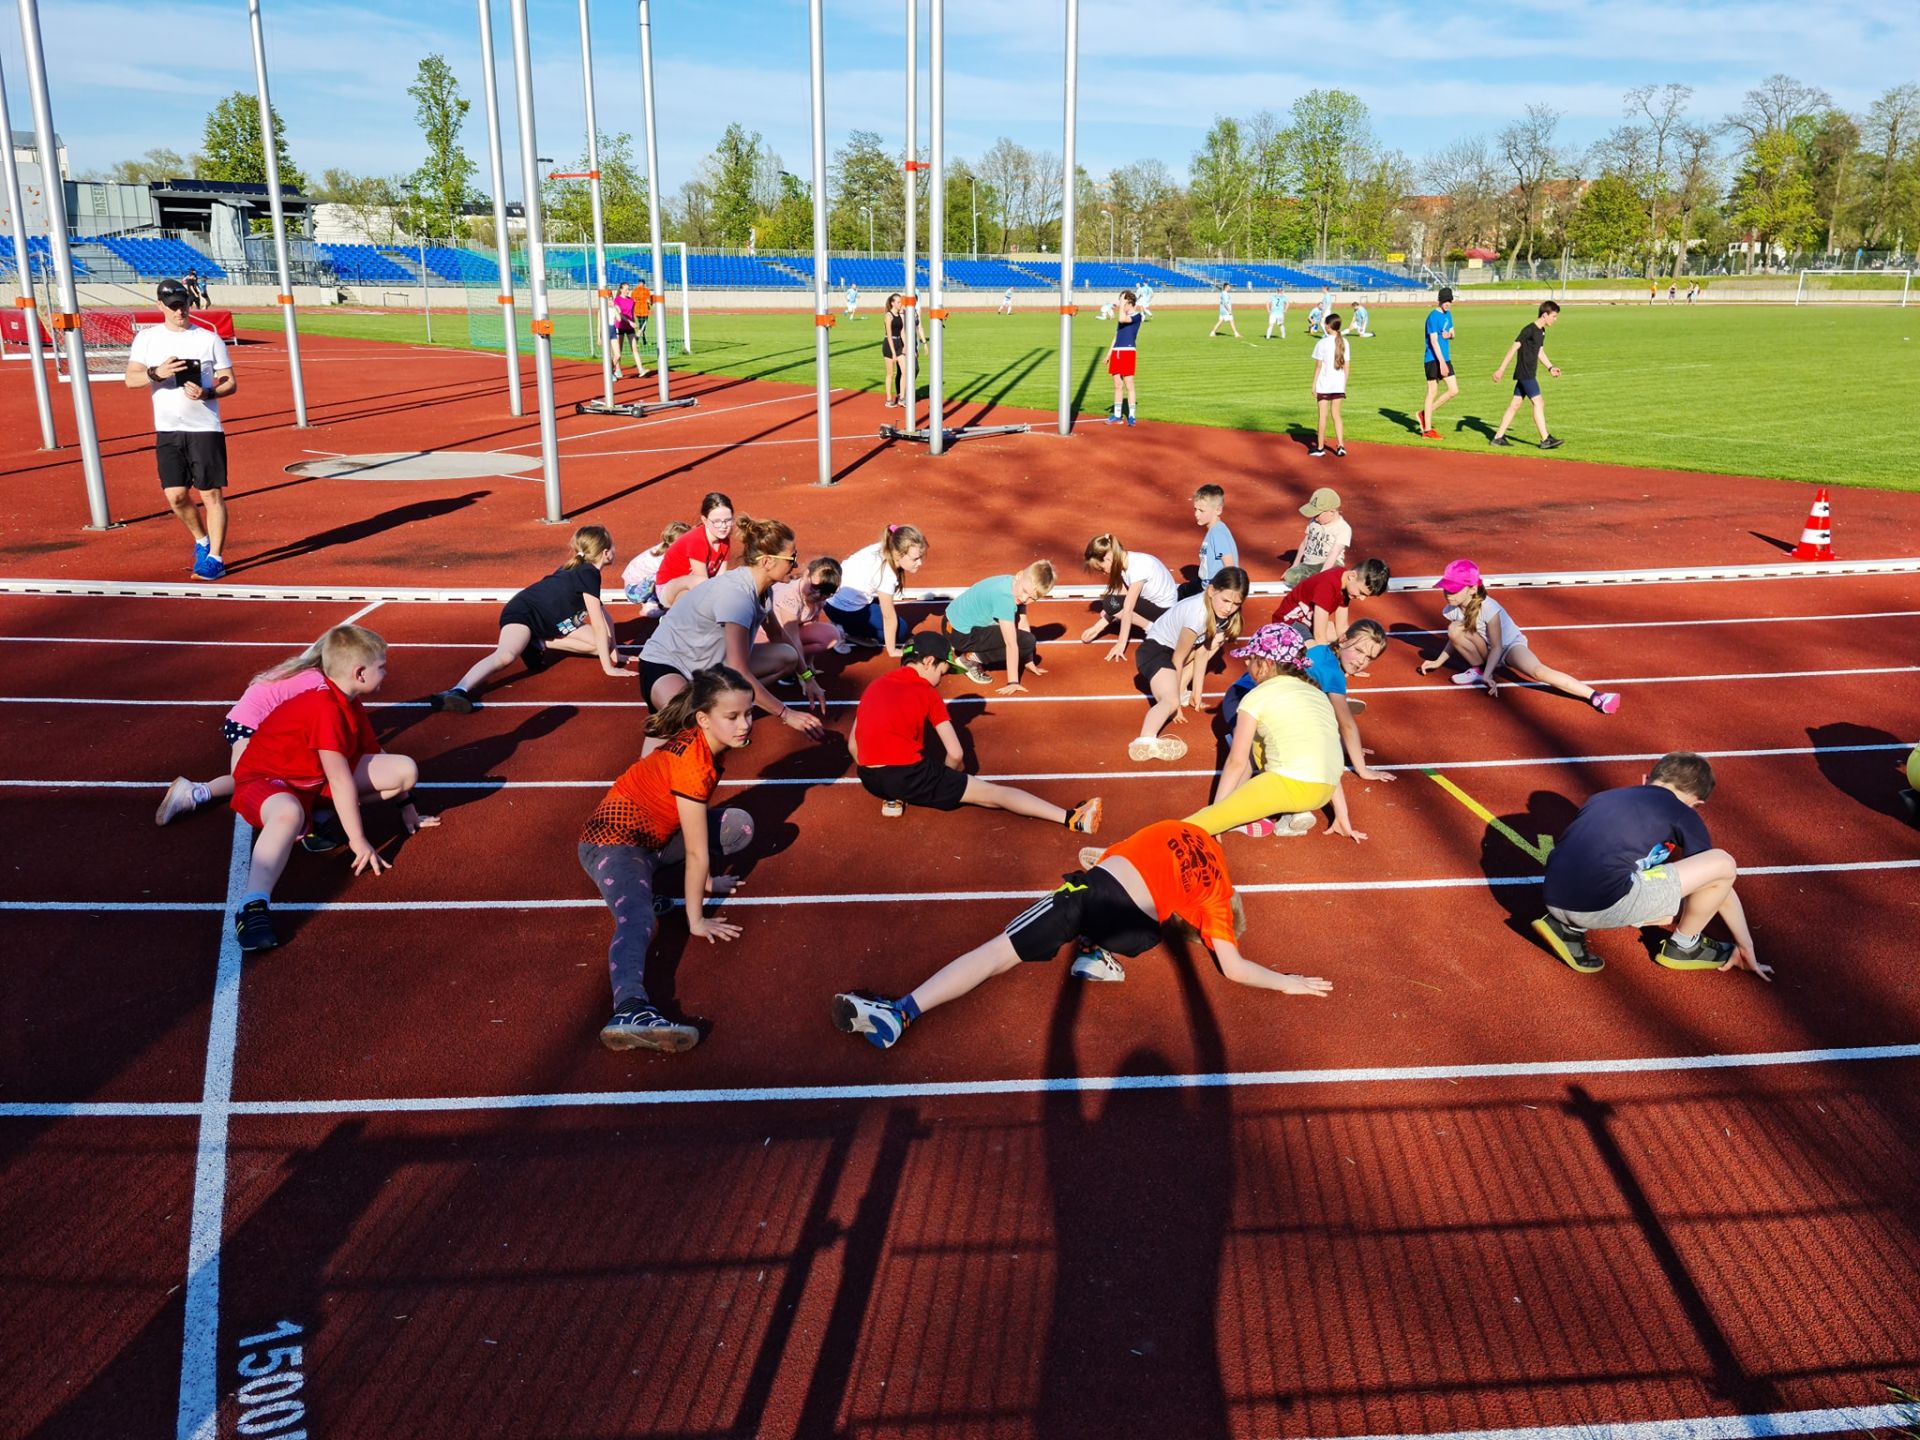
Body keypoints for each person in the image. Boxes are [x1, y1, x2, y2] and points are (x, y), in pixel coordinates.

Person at [830, 818, 1332, 1049]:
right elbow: (1235, 968)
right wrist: (1288, 981)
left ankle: (900, 1014)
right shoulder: (1213, 902)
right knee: (1149, 930)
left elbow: (1106, 856)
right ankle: (1095, 954)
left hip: (1091, 894)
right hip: (1125, 918)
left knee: (997, 954)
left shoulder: (1190, 831)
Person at [227, 625, 437, 952]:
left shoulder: (349, 702)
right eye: (381, 666)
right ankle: (252, 905)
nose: (386, 672)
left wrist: (407, 806)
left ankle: (315, 818)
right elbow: (339, 780)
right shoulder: (324, 707)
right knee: (288, 813)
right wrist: (359, 840)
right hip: (265, 783)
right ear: (359, 672)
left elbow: (375, 753)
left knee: (404, 770)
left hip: (311, 783)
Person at [581, 666, 757, 1052]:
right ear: (703, 719)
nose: (745, 724)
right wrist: (696, 920)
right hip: (613, 843)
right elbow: (695, 851)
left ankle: (652, 886)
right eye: (733, 717)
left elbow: (692, 832)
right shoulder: (693, 763)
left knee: (735, 827)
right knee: (640, 919)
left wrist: (709, 881)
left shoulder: (705, 745)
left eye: (748, 713)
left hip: (655, 840)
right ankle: (628, 1007)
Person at [1532, 752, 1768, 979]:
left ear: (1646, 779)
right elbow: (1717, 879)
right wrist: (1745, 944)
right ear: (1696, 803)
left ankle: (1568, 929)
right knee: (1722, 863)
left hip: (1552, 896)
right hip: (1597, 907)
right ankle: (1684, 945)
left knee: (1646, 890)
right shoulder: (1682, 813)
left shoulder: (1603, 796)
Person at [852, 628, 1102, 828]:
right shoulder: (927, 692)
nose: (942, 679)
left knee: (896, 759)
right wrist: (945, 777)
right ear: (928, 661)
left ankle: (893, 798)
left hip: (870, 780)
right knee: (994, 793)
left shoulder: (874, 685)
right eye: (943, 670)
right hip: (908, 776)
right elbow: (956, 754)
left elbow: (854, 744)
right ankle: (1072, 818)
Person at [638, 516, 830, 744]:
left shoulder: (763, 591)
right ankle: (705, 713)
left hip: (708, 668)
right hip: (668, 666)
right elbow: (738, 670)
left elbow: (778, 636)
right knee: (696, 730)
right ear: (767, 561)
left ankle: (722, 706)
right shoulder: (737, 597)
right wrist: (786, 714)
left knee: (787, 656)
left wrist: (806, 676)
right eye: (792, 558)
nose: (797, 565)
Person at [1185, 623, 1364, 842]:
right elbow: (1326, 753)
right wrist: (1342, 816)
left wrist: (1218, 814)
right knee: (1280, 739)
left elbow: (1237, 762)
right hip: (1324, 792)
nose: (1246, 662)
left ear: (1267, 664)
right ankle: (1289, 816)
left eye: (1251, 658)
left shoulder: (1256, 696)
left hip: (1288, 786)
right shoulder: (1318, 695)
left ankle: (1136, 859)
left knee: (1192, 827)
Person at [433, 526, 627, 713]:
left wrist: (614, 653)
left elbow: (604, 616)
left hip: (548, 621)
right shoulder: (589, 573)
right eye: (614, 546)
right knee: (506, 656)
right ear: (605, 553)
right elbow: (598, 624)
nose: (616, 550)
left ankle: (538, 642)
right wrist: (608, 669)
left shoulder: (584, 570)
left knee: (601, 645)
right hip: (524, 613)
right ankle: (457, 690)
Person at [125, 277, 237, 581]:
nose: (180, 311)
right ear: (160, 306)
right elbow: (131, 379)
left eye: (184, 304)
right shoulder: (147, 339)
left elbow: (230, 381)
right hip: (168, 429)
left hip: (205, 428)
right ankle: (202, 540)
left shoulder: (208, 338)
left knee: (211, 493)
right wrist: (156, 373)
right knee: (175, 496)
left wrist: (209, 392)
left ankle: (216, 557)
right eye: (173, 306)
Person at [155, 636, 333, 826]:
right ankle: (193, 793)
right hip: (250, 725)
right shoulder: (317, 681)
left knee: (256, 775)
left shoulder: (302, 669)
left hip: (243, 721)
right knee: (244, 779)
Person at [1417, 558, 1620, 713]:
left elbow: (1498, 646)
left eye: (1453, 590)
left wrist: (1490, 675)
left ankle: (1595, 696)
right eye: (1445, 589)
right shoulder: (1451, 610)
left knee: (1538, 672)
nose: (1447, 594)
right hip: (1485, 650)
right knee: (1454, 629)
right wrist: (1438, 661)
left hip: (1508, 648)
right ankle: (1478, 669)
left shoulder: (1489, 608)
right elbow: (1455, 639)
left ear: (1471, 589)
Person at [1221, 619, 1393, 781]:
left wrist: (1347, 745)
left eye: (1370, 658)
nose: (1361, 661)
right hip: (1246, 699)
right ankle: (1226, 807)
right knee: (1248, 761)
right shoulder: (1333, 674)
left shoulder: (1321, 650)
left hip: (1244, 695)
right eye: (1359, 650)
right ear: (1343, 640)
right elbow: (1346, 724)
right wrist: (1362, 770)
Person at [1130, 567, 1249, 762]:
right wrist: (1176, 703)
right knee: (1170, 701)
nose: (1229, 608)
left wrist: (1196, 695)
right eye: (1226, 600)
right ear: (1211, 591)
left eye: (1236, 604)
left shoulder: (1220, 614)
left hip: (1171, 653)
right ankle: (1145, 739)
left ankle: (1181, 693)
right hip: (1155, 652)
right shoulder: (1197, 614)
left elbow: (1202, 653)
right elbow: (1178, 658)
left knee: (1215, 643)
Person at [945, 560, 1056, 692]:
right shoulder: (1005, 598)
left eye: (1032, 598)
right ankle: (969, 659)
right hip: (960, 636)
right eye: (1025, 591)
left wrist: (1028, 661)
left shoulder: (1012, 583)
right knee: (1027, 641)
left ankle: (962, 645)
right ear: (1019, 575)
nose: (1025, 598)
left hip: (948, 624)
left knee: (1020, 635)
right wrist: (1013, 681)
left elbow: (1023, 623)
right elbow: (1011, 644)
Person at [827, 523, 927, 655]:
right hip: (842, 610)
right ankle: (843, 630)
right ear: (897, 554)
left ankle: (843, 625)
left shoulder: (884, 546)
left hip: (830, 601)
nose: (920, 563)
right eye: (915, 558)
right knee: (900, 629)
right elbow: (889, 617)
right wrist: (893, 651)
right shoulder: (887, 574)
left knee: (885, 611)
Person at [1080, 535, 1179, 657]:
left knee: (1109, 603)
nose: (1103, 572)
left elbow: (1127, 608)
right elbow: (1123, 595)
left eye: (1101, 568)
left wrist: (1120, 645)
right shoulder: (1125, 561)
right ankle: (1150, 624)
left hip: (1165, 613)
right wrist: (1098, 627)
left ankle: (1153, 629)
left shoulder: (1137, 568)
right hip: (1158, 606)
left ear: (1108, 558)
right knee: (1110, 606)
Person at [1490, 300, 1564, 449]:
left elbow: (1539, 352)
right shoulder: (1529, 330)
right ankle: (1545, 439)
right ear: (1545, 315)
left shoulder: (1542, 331)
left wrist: (1550, 367)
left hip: (1528, 373)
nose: (1555, 319)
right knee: (1539, 402)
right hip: (1525, 373)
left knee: (1515, 405)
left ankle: (1498, 438)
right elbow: (1513, 348)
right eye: (1554, 316)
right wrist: (1501, 369)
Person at [1273, 557, 1391, 646]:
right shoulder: (1327, 586)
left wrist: (1349, 661)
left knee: (1355, 638)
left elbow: (1342, 628)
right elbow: (1319, 636)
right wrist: (1330, 666)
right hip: (1289, 623)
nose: (1361, 598)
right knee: (1314, 651)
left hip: (1307, 622)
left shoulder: (1346, 585)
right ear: (1352, 576)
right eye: (1361, 592)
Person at [654, 493, 735, 609]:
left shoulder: (724, 540)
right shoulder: (697, 540)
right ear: (705, 520)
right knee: (697, 586)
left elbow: (720, 577)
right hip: (668, 588)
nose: (723, 526)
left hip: (690, 589)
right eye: (716, 521)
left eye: (728, 520)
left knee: (731, 583)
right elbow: (701, 582)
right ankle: (675, 619)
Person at [768, 556, 845, 670]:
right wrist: (806, 675)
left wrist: (810, 664)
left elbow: (812, 625)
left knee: (831, 635)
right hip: (766, 635)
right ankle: (783, 665)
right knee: (791, 649)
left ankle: (792, 663)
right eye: (814, 587)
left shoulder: (820, 599)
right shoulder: (790, 597)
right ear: (806, 574)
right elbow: (792, 638)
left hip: (785, 634)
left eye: (826, 593)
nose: (818, 595)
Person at [621, 520, 693, 617]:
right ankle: (650, 603)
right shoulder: (665, 557)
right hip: (634, 590)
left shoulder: (669, 549)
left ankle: (658, 601)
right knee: (665, 577)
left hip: (642, 582)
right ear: (672, 543)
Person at [1284, 487, 1351, 587]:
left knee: (1333, 576)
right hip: (1309, 566)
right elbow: (1304, 543)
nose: (1314, 517)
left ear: (1331, 512)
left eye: (1317, 514)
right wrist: (1295, 565)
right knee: (1290, 576)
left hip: (1329, 565)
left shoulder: (1343, 528)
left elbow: (1334, 553)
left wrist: (1322, 575)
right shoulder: (1314, 522)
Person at [1416, 285, 1457, 440]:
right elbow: (1433, 341)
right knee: (1432, 391)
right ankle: (1427, 430)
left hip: (1445, 357)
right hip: (1433, 359)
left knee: (1453, 390)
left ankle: (1425, 414)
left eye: (1450, 301)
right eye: (1446, 301)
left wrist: (1450, 336)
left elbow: (1452, 333)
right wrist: (1441, 363)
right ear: (1439, 301)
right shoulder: (1433, 317)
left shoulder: (1449, 314)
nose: (1448, 304)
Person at [1309, 312, 1349, 458]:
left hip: (1324, 384)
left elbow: (1319, 366)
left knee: (1322, 416)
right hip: (1338, 384)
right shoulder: (1344, 342)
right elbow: (1347, 366)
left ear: (1327, 326)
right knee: (1337, 415)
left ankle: (1320, 448)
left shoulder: (1322, 343)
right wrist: (1344, 384)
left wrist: (1313, 385)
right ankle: (1341, 446)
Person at [1189, 484, 1240, 597]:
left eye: (1201, 511)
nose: (1196, 514)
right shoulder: (1215, 531)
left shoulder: (1217, 534)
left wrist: (1226, 592)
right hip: (1209, 587)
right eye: (1195, 509)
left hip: (1214, 589)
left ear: (1218, 510)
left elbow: (1230, 565)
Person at [1104, 290, 1142, 426]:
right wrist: (1109, 353)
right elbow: (1117, 335)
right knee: (1117, 385)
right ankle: (1117, 415)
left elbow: (1122, 319)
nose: (1121, 304)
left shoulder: (1137, 316)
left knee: (1129, 384)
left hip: (1128, 351)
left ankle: (1131, 415)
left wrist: (1121, 305)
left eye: (1123, 301)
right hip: (1117, 352)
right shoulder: (1123, 314)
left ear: (1129, 303)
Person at [609, 283, 639, 379]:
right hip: (619, 327)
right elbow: (619, 317)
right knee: (618, 352)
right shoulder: (617, 300)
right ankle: (616, 370)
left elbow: (631, 313)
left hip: (630, 327)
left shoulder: (631, 301)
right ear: (621, 289)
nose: (628, 290)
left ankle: (641, 369)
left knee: (634, 349)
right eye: (626, 289)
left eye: (628, 289)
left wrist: (634, 323)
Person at [632, 277, 653, 351]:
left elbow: (632, 301)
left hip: (637, 311)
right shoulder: (646, 290)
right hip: (644, 311)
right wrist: (649, 302)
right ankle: (636, 340)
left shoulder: (634, 291)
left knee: (641, 326)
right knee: (642, 327)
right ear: (644, 284)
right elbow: (649, 301)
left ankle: (644, 341)